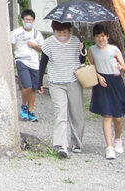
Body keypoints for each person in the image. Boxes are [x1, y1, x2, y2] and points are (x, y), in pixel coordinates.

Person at [38, 20, 86, 159]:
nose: (62, 35)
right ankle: (61, 144)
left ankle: (77, 142)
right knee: (61, 113)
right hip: (56, 82)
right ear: (54, 31)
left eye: (65, 32)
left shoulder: (76, 41)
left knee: (76, 113)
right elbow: (43, 62)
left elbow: (82, 62)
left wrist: (82, 51)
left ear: (69, 30)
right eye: (59, 33)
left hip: (73, 81)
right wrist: (39, 81)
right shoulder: (48, 43)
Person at [88, 23, 125, 160]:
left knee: (118, 117)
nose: (100, 39)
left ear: (107, 36)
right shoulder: (92, 50)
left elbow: (124, 66)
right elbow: (91, 66)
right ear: (94, 38)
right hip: (102, 82)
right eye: (98, 36)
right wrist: (98, 76)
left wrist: (121, 67)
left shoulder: (114, 49)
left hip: (115, 81)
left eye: (103, 36)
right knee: (106, 115)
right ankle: (109, 147)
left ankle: (118, 139)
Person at [11, 8, 44, 122]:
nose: (28, 22)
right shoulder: (16, 33)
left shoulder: (37, 34)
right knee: (27, 85)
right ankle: (24, 106)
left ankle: (30, 110)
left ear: (33, 21)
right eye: (26, 19)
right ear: (22, 20)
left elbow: (42, 49)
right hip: (21, 60)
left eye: (30, 20)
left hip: (34, 62)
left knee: (34, 88)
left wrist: (35, 46)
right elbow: (11, 46)